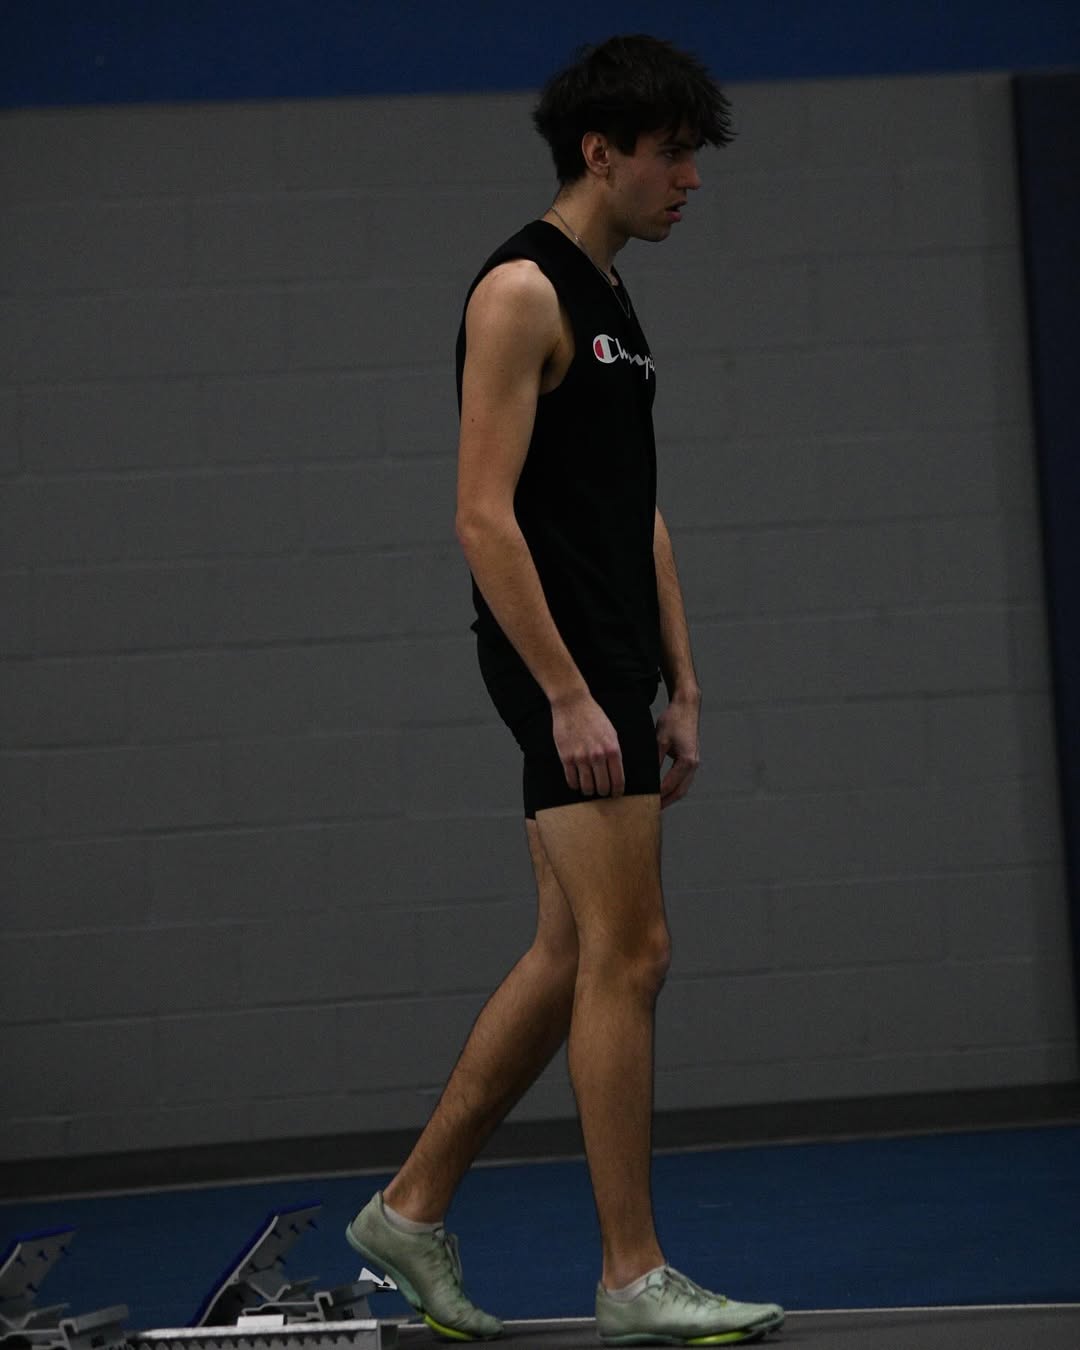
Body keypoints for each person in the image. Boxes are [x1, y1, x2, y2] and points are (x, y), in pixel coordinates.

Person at [347, 34, 784, 1346]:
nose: (691, 179)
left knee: (567, 954)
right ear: (601, 152)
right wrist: (569, 696)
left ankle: (409, 1212)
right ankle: (632, 1275)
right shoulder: (521, 293)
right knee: (633, 952)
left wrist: (682, 683)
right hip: (560, 667)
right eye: (672, 154)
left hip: (611, 665)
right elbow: (482, 518)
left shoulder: (611, 299)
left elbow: (634, 510)